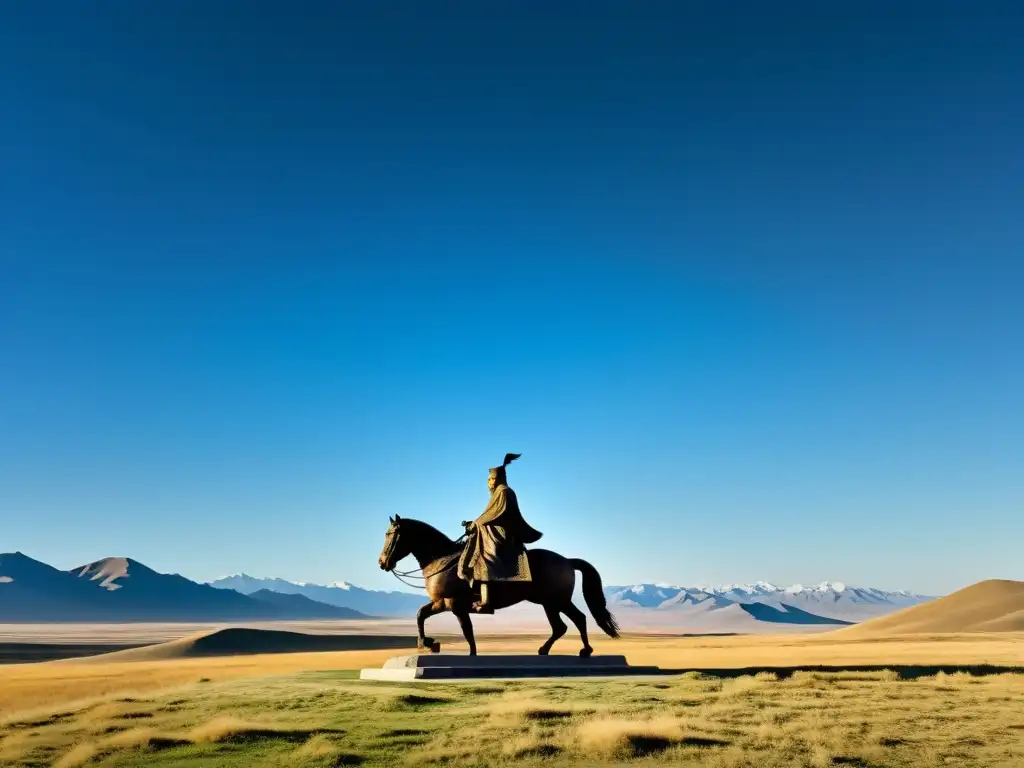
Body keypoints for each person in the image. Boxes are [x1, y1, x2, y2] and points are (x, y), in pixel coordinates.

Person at [457, 453, 542, 613]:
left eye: (492, 479)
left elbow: (495, 514)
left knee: (484, 558)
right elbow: (487, 515)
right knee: (477, 538)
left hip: (502, 532)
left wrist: (476, 523)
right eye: (488, 480)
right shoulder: (498, 493)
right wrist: (474, 524)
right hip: (494, 528)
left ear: (499, 479)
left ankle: (487, 601)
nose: (489, 483)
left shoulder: (504, 492)